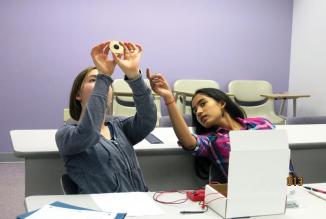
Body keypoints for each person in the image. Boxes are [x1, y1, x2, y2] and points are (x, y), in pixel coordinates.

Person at [146, 70, 295, 183]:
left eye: (203, 104)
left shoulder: (263, 124)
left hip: (284, 193)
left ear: (221, 103)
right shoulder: (213, 141)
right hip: (246, 201)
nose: (198, 111)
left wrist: (297, 189)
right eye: (194, 110)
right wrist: (169, 98)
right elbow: (188, 142)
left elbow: (288, 169)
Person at [55, 41, 157, 194]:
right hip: (104, 212)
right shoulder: (66, 134)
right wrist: (104, 77)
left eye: (105, 82)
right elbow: (89, 133)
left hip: (139, 204)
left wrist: (134, 76)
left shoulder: (119, 126)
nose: (101, 84)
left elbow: (148, 120)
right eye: (93, 80)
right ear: (78, 94)